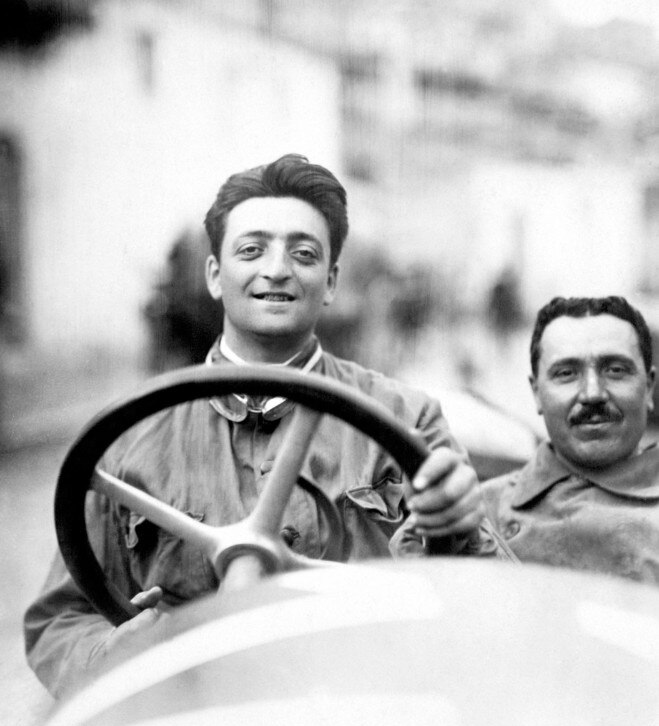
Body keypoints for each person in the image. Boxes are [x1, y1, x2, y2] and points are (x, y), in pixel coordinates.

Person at [25, 154, 484, 697]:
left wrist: (455, 528)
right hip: (189, 722)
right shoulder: (129, 437)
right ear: (216, 276)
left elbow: (478, 601)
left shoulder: (408, 419)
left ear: (331, 280)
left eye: (304, 253)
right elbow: (60, 622)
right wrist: (117, 655)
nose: (277, 269)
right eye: (251, 249)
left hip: (360, 714)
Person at [478, 295, 659, 583]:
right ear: (537, 392)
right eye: (566, 374)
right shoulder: (479, 511)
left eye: (615, 370)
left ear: (648, 388)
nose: (592, 393)